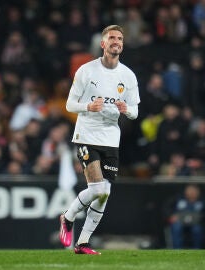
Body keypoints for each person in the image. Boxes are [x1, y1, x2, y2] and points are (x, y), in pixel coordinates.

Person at [59, 25, 140, 255]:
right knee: (96, 189)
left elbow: (135, 111)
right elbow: (69, 104)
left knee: (104, 194)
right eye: (112, 38)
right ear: (103, 44)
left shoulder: (128, 75)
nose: (116, 41)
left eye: (120, 38)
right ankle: (67, 216)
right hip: (87, 134)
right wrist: (88, 106)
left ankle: (82, 243)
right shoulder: (86, 70)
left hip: (111, 139)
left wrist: (126, 109)